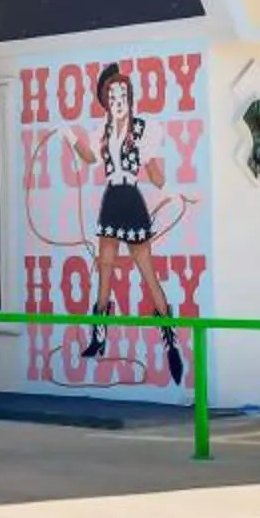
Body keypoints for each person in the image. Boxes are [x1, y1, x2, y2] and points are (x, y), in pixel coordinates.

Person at [70, 60, 187, 383]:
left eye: (122, 96)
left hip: (131, 199)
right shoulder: (103, 131)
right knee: (104, 266)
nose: (118, 102)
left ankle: (170, 339)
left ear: (130, 98)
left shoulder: (144, 129)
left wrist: (176, 191)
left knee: (146, 268)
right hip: (112, 198)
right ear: (107, 102)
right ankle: (99, 335)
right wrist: (68, 135)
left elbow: (153, 172)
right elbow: (90, 157)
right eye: (113, 97)